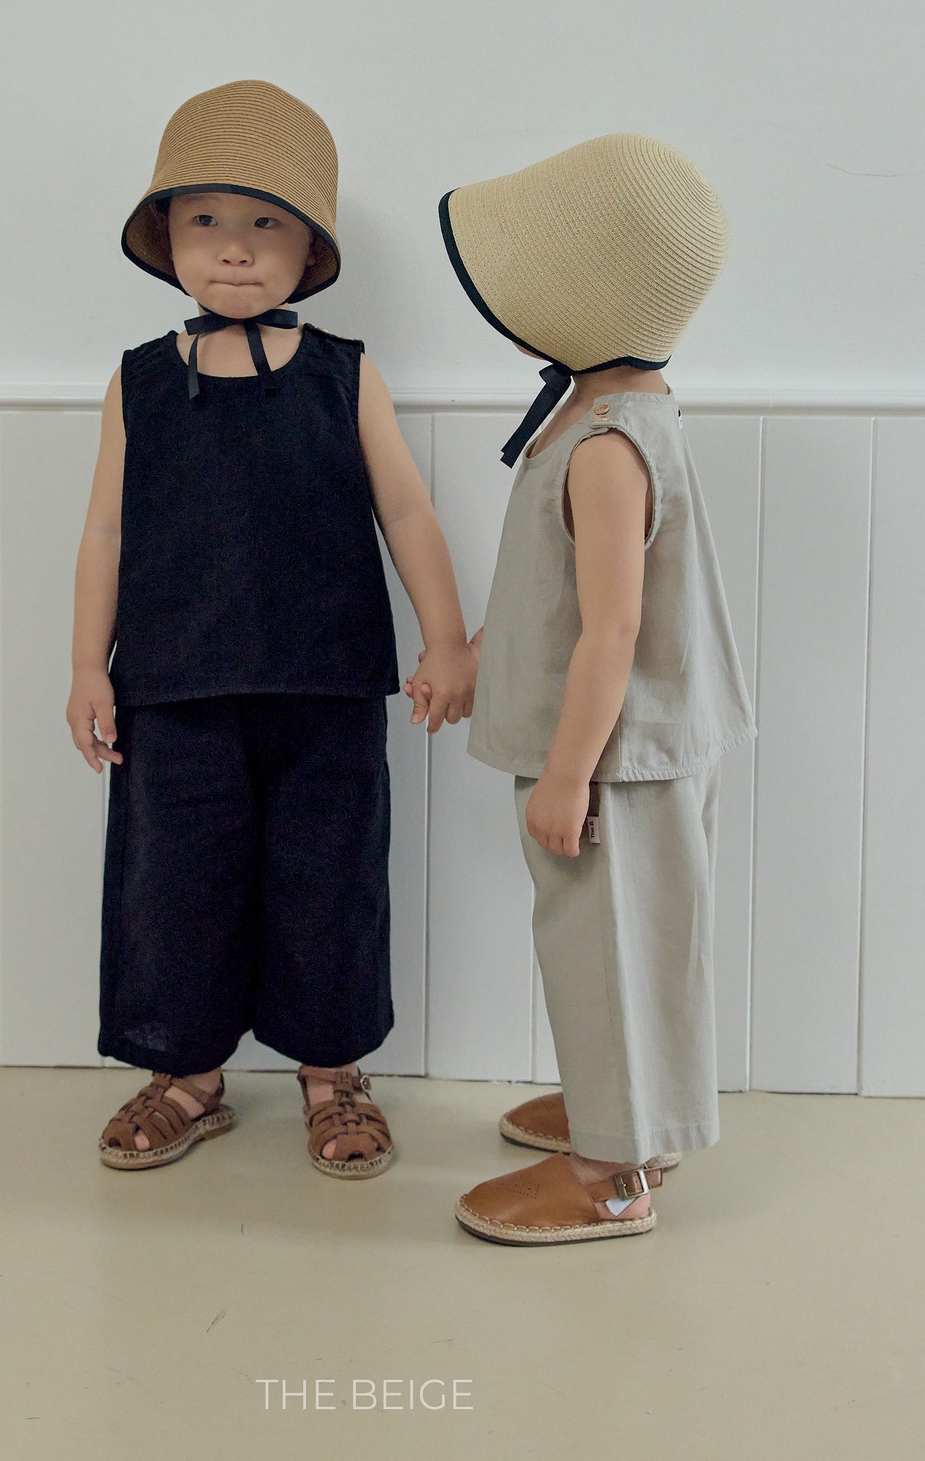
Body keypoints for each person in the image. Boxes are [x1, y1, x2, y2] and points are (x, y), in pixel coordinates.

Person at [67, 79, 477, 1179]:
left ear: (310, 248)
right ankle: (187, 1076)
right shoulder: (139, 382)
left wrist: (445, 639)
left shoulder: (344, 374)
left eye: (266, 222)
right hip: (173, 687)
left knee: (327, 882)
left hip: (326, 686)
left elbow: (406, 510)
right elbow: (105, 529)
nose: (236, 247)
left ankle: (332, 1073)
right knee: (175, 887)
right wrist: (86, 668)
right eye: (205, 217)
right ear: (166, 236)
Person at [414, 131, 755, 1243]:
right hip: (627, 743)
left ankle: (611, 1171)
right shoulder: (602, 412)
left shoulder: (607, 444)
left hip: (608, 759)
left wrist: (567, 775)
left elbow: (612, 626)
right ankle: (628, 1107)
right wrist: (477, 651)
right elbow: (553, 591)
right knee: (624, 946)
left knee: (605, 945)